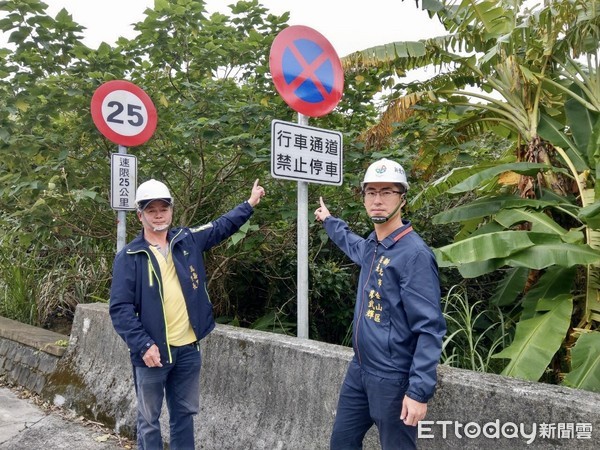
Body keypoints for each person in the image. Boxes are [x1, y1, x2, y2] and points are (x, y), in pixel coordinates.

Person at [109, 178, 265, 450]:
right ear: (140, 215)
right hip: (152, 354)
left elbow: (220, 226)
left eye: (163, 208)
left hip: (188, 350)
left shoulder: (187, 240)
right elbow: (120, 309)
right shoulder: (130, 256)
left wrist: (249, 204)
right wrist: (144, 345)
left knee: (184, 416)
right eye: (151, 210)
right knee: (149, 420)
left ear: (171, 210)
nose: (158, 215)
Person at [314, 158, 446, 450]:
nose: (377, 200)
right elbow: (349, 242)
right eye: (371, 192)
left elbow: (430, 328)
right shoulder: (373, 245)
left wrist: (419, 392)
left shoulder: (414, 256)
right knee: (341, 443)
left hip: (393, 380)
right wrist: (328, 219)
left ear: (402, 198)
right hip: (359, 369)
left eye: (387, 192)